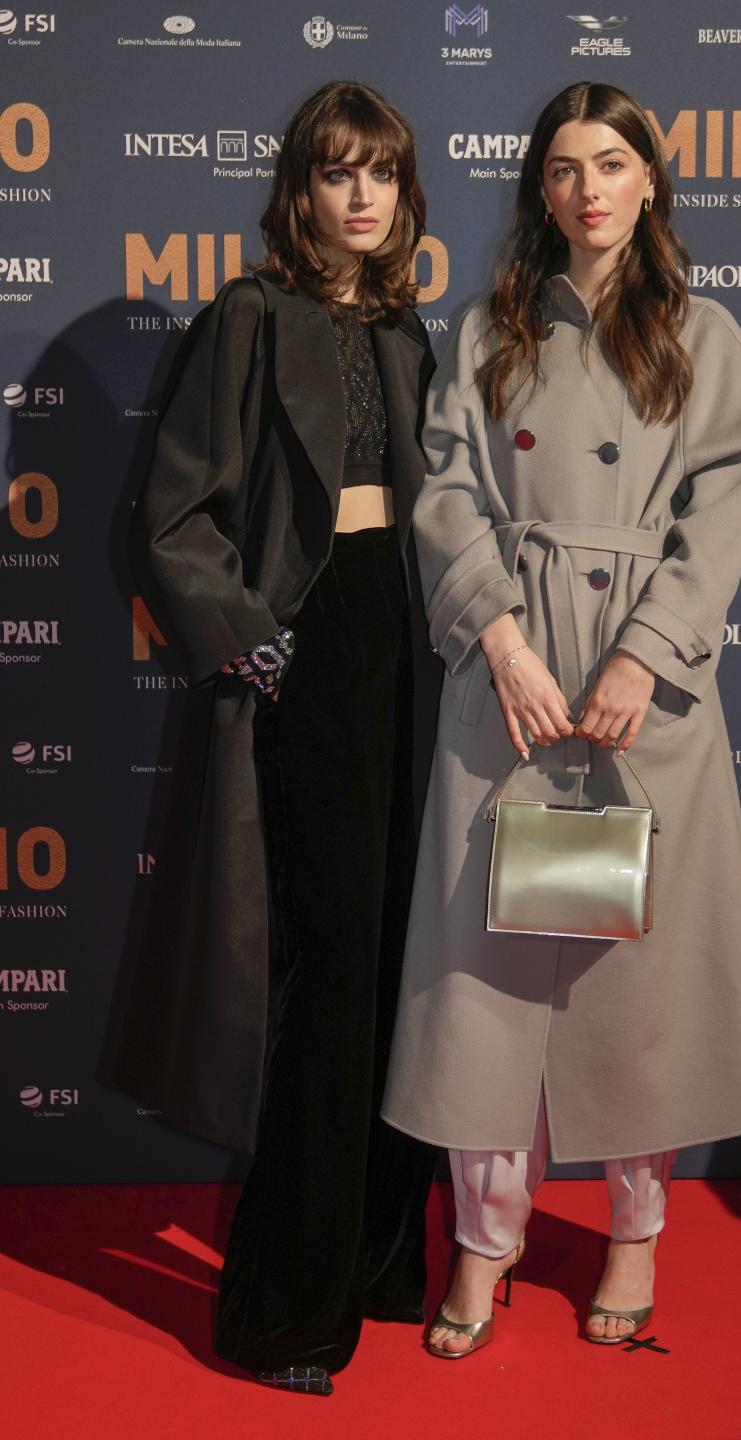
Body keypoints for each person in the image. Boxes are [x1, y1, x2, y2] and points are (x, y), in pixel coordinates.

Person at [381, 80, 741, 1356]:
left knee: (637, 989)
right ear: (539, 191)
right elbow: (444, 490)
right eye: (563, 168)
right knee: (483, 992)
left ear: (652, 180)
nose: (589, 189)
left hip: (637, 702)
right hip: (508, 687)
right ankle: (482, 1245)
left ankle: (632, 1237)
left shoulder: (701, 335)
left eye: (611, 163)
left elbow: (729, 500)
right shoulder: (490, 329)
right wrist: (499, 637)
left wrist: (649, 655)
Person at [112, 82, 441, 1394]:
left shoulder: (413, 333)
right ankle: (283, 1309)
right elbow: (171, 520)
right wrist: (260, 646)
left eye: (380, 175)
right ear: (298, 190)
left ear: (405, 195)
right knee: (328, 977)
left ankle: (376, 1260)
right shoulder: (247, 317)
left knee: (398, 968)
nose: (358, 197)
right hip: (307, 648)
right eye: (333, 173)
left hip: (412, 657)